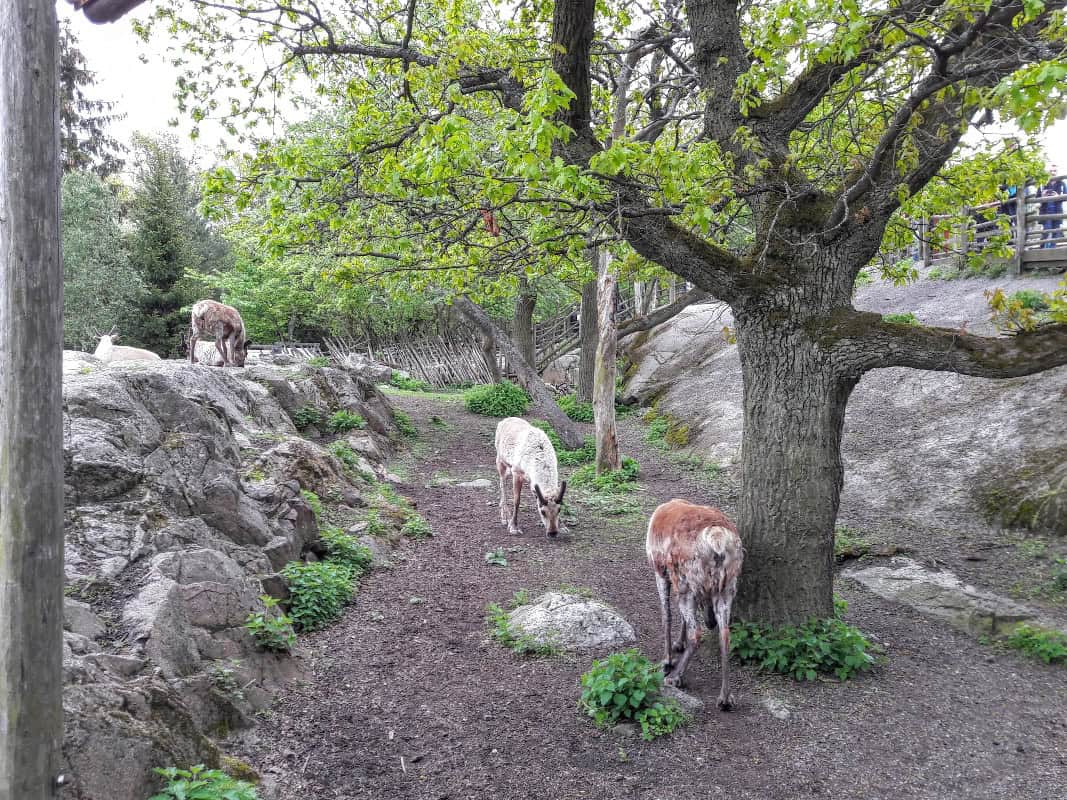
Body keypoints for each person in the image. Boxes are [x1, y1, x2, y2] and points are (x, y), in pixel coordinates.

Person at [1039, 169, 1065, 249]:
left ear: (1057, 172)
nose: (1053, 173)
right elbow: (1037, 196)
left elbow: (1065, 195)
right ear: (1049, 173)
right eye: (1051, 171)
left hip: (1057, 210)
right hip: (1045, 211)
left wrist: (1058, 196)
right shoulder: (1043, 184)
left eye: (1054, 171)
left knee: (1056, 231)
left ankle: (1053, 247)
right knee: (1046, 230)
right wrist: (1043, 195)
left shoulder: (1062, 183)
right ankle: (1042, 247)